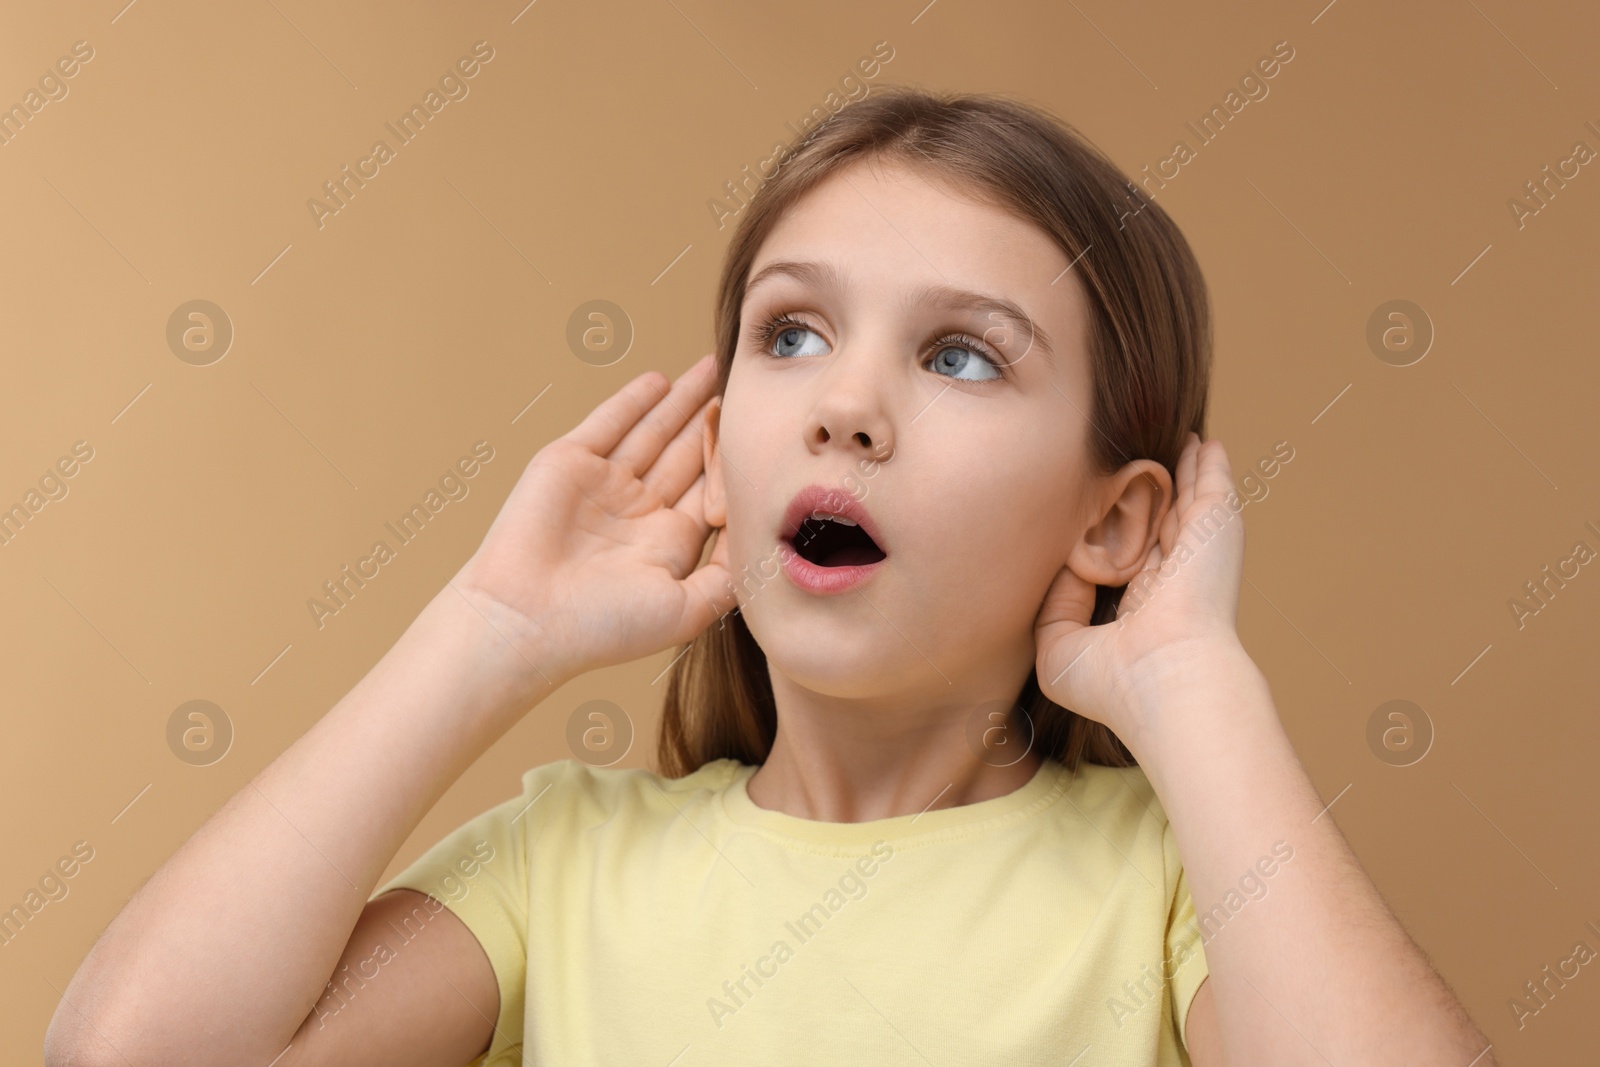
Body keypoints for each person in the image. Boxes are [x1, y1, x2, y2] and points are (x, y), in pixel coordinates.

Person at [45, 86, 1494, 1067]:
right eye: (791, 333)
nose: (844, 406)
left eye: (961, 356)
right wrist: (483, 635)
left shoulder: (1184, 890)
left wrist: (1194, 690)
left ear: (1112, 524)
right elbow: (130, 1052)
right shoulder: (563, 867)